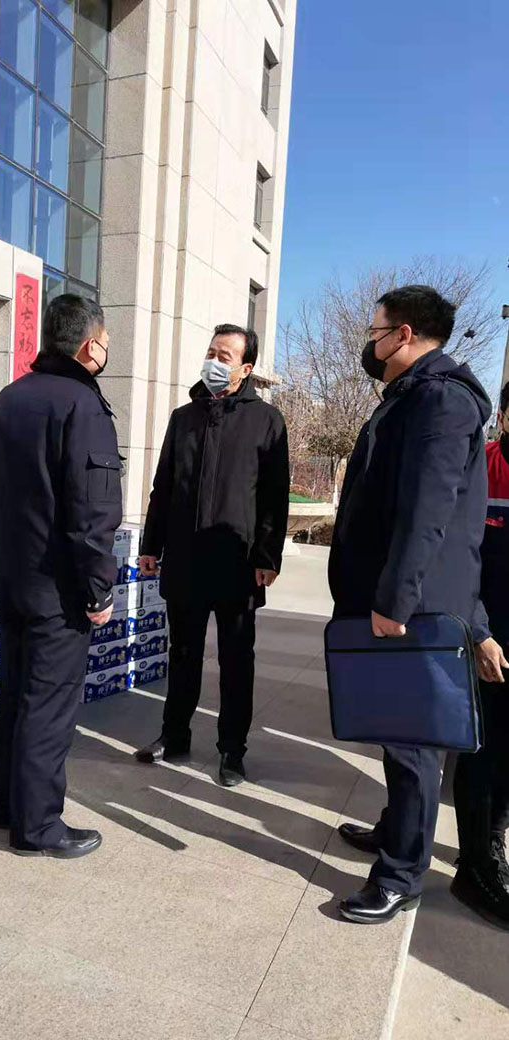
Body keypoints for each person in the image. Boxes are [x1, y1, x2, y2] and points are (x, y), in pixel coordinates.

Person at [330, 284, 507, 924]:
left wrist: (397, 599)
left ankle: (401, 874)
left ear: (403, 334)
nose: (370, 342)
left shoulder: (442, 400)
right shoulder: (414, 396)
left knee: (414, 746)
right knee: (395, 728)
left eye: (375, 330)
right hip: (398, 597)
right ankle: (394, 830)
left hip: (414, 605)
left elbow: (429, 512)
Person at [0, 294, 121, 859]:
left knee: (15, 692)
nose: (104, 352)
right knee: (49, 704)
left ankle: (8, 804)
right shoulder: (83, 405)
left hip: (12, 578)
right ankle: (37, 827)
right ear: (88, 346)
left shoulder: (11, 398)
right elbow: (92, 513)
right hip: (57, 590)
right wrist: (98, 589)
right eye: (104, 343)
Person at [134, 323, 289, 785]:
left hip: (237, 563)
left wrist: (267, 556)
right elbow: (163, 487)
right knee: (182, 653)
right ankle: (174, 736)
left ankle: (232, 751)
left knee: (236, 661)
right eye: (211, 352)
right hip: (185, 557)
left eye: (225, 357)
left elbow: (274, 497)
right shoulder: (184, 418)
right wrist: (151, 545)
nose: (214, 362)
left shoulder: (266, 421)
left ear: (246, 368)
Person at [451, 382, 509, 929]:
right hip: (488, 641)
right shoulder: (482, 469)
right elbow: (459, 558)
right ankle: (473, 867)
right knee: (480, 750)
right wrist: (479, 632)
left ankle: (493, 841)